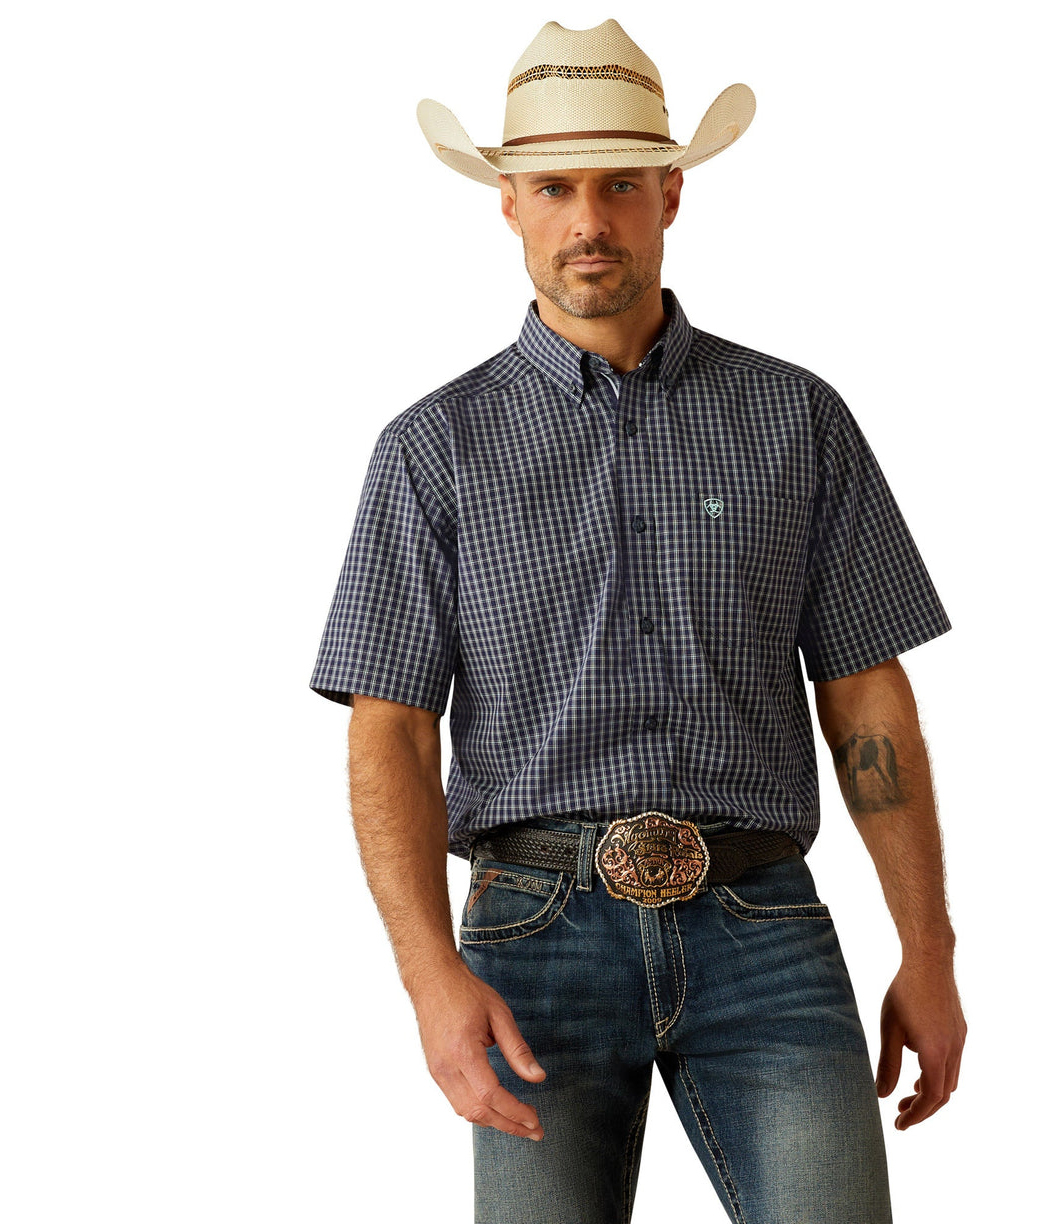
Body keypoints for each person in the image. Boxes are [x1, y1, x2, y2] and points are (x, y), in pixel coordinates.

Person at [310, 18, 966, 1224]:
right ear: (507, 204)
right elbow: (389, 731)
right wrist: (426, 979)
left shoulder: (797, 419)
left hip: (763, 925)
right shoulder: (430, 453)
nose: (589, 222)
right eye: (555, 187)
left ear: (674, 193)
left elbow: (867, 697)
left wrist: (930, 950)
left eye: (620, 185)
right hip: (533, 933)